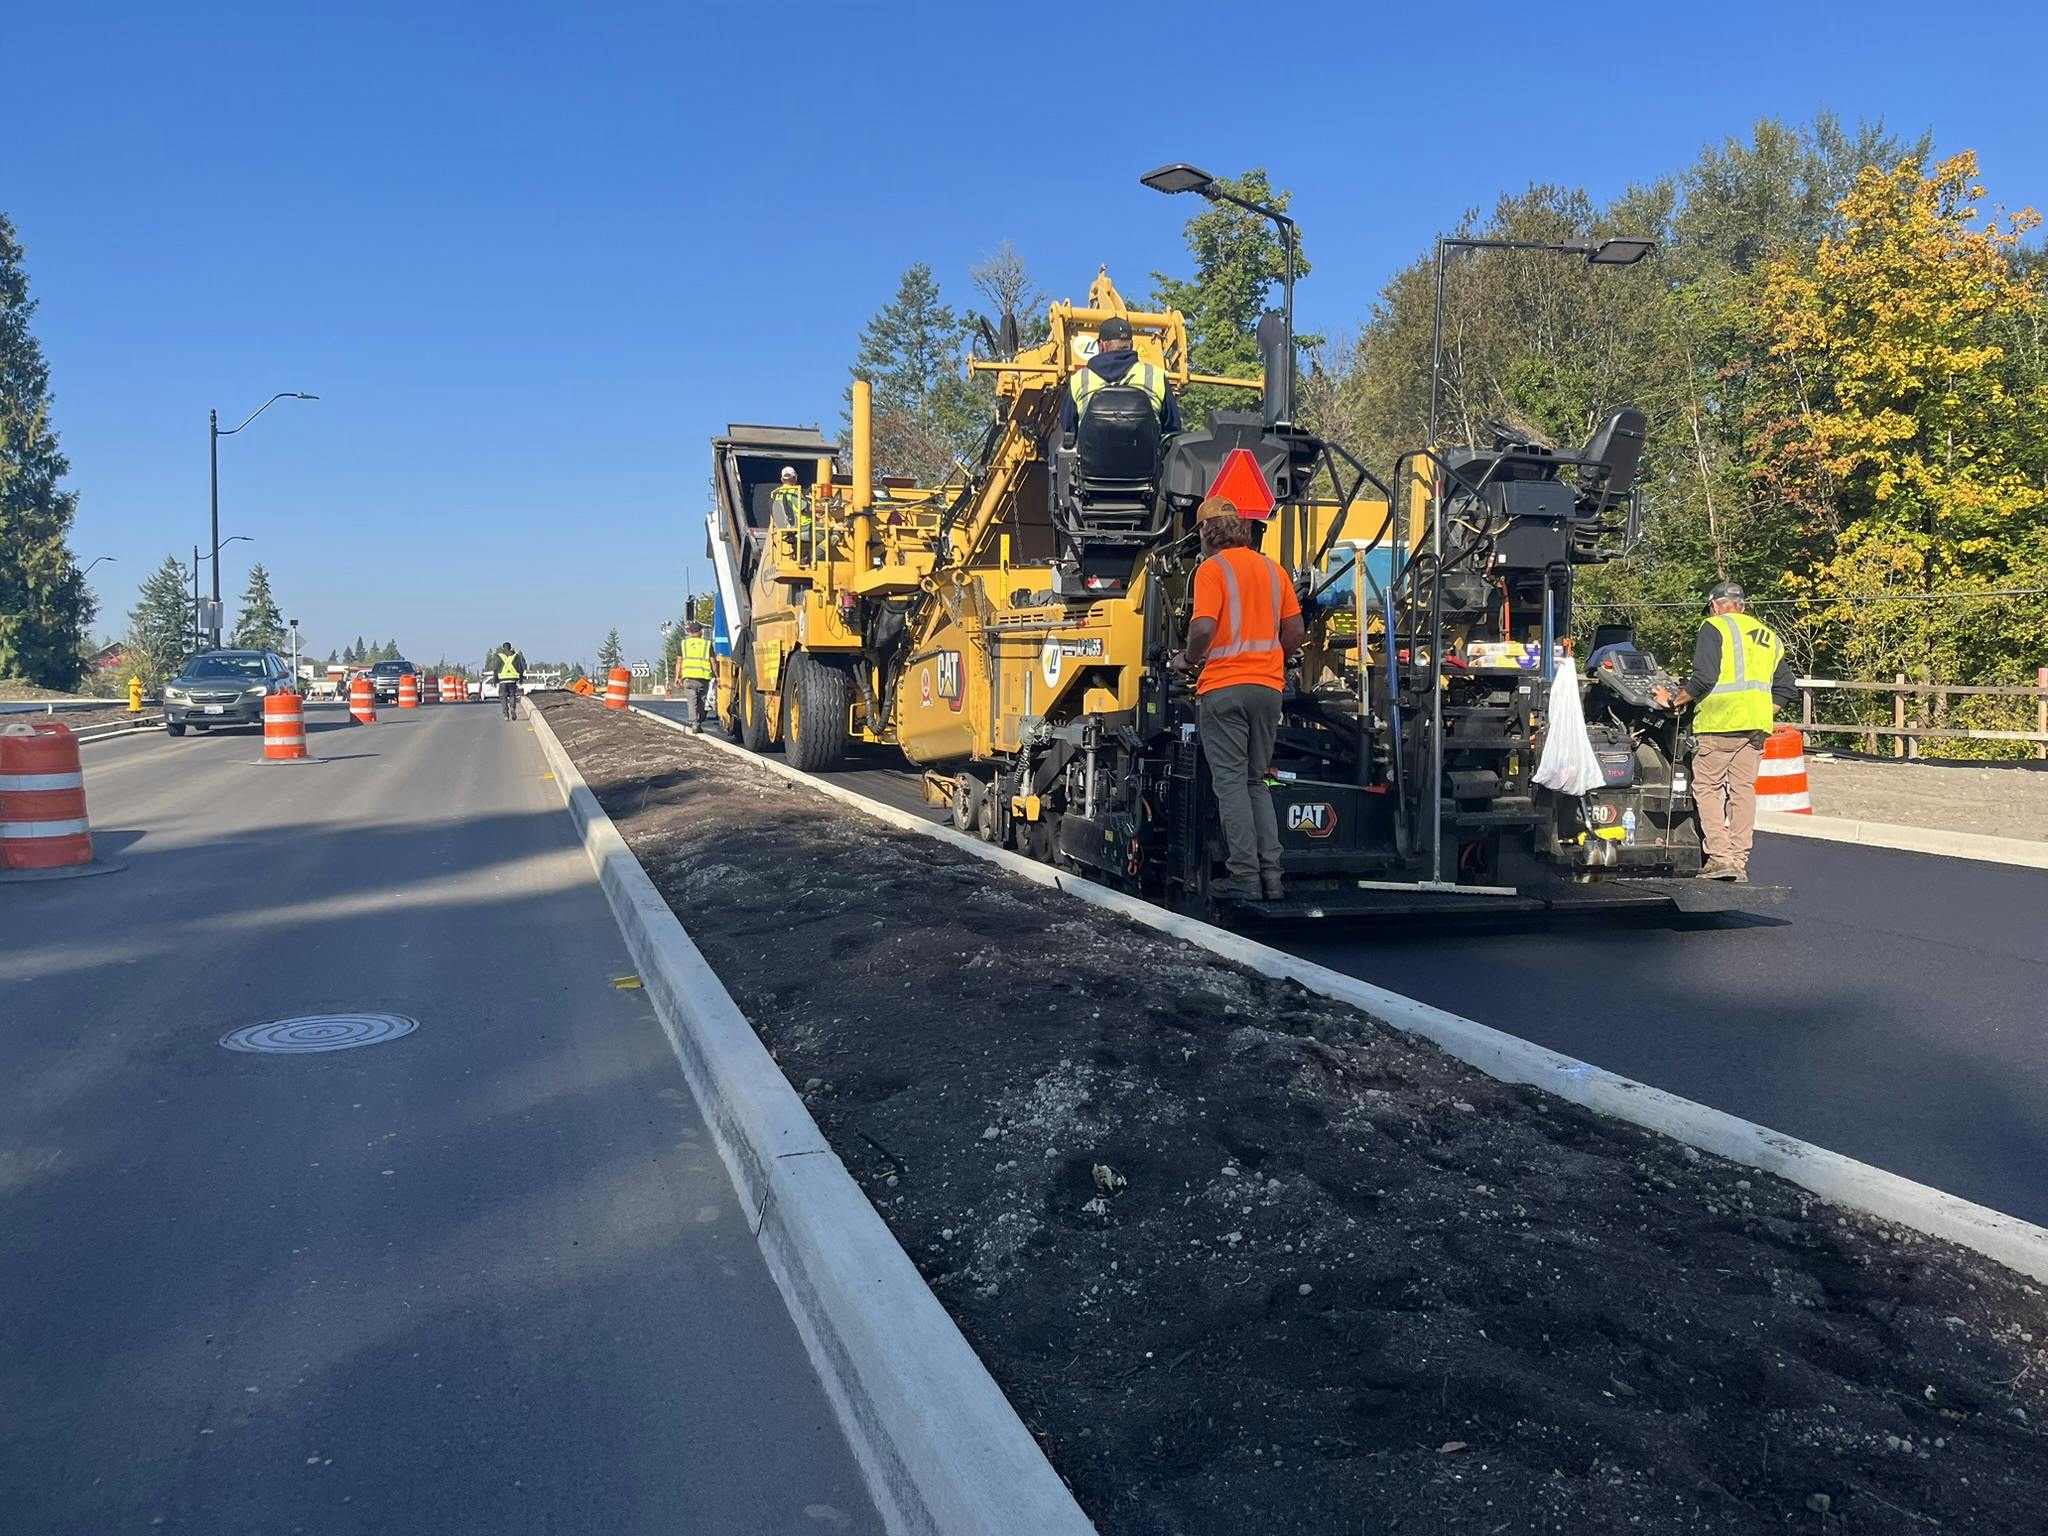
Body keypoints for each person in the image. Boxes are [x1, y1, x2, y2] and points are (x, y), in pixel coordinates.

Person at [1170, 496, 1304, 901]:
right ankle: (1272, 879)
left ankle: (1244, 879)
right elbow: (1294, 630)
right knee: (1256, 781)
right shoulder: (1272, 569)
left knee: (1229, 785)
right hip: (1268, 689)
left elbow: (1204, 628)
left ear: (1206, 534)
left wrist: (1187, 658)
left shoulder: (1212, 570)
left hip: (1225, 689)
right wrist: (1271, 660)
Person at [1654, 581, 1797, 882]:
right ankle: (1740, 860)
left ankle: (1720, 859)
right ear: (1743, 606)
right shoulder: (1768, 637)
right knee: (1743, 791)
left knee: (1708, 788)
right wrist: (1759, 712)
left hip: (1719, 725)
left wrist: (1672, 700)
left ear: (1716, 605)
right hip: (1756, 728)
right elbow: (1785, 687)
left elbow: (1704, 678)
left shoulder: (1714, 627)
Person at [1059, 315, 1183, 438]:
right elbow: (1172, 427)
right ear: (1131, 344)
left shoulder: (1079, 379)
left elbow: (1069, 428)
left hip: (1093, 457)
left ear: (1101, 345)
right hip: (1145, 457)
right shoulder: (1155, 375)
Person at [674, 620, 714, 733]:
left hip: (688, 678)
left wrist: (677, 677)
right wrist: (718, 675)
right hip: (703, 678)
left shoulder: (683, 644)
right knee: (701, 700)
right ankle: (699, 722)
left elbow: (678, 662)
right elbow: (713, 661)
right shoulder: (707, 644)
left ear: (690, 632)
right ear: (701, 631)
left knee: (692, 701)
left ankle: (694, 723)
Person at [769, 465, 811, 551]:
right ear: (795, 478)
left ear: (782, 479)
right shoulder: (794, 493)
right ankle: (814, 556)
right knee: (827, 532)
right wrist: (825, 508)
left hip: (786, 529)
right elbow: (809, 508)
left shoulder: (777, 495)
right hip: (802, 526)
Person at [486, 640, 526, 718]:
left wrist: (495, 680)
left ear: (503, 648)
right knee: (512, 695)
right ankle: (512, 708)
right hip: (512, 680)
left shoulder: (499, 656)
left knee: (503, 697)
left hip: (502, 681)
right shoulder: (515, 656)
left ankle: (505, 713)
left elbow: (496, 669)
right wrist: (521, 679)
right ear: (510, 648)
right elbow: (520, 668)